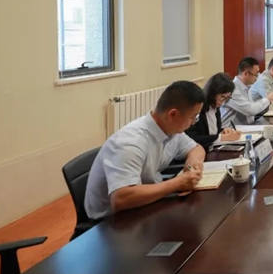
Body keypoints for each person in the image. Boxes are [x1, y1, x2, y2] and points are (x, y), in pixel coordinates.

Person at [84, 81, 207, 220]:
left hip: (144, 204)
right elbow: (121, 198)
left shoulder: (171, 130)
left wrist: (192, 165)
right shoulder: (130, 142)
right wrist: (177, 183)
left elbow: (196, 149)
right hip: (111, 221)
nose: (193, 123)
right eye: (193, 117)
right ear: (173, 114)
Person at [186, 73, 239, 151]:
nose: (223, 102)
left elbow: (210, 132)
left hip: (212, 150)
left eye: (227, 98)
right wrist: (220, 137)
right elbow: (192, 138)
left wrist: (222, 131)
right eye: (222, 97)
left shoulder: (216, 107)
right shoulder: (198, 108)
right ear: (213, 93)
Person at [220, 57, 273, 126]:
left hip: (245, 126)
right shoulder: (233, 89)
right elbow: (250, 110)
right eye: (255, 75)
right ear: (246, 73)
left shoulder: (246, 86)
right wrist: (268, 99)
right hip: (230, 129)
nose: (257, 78)